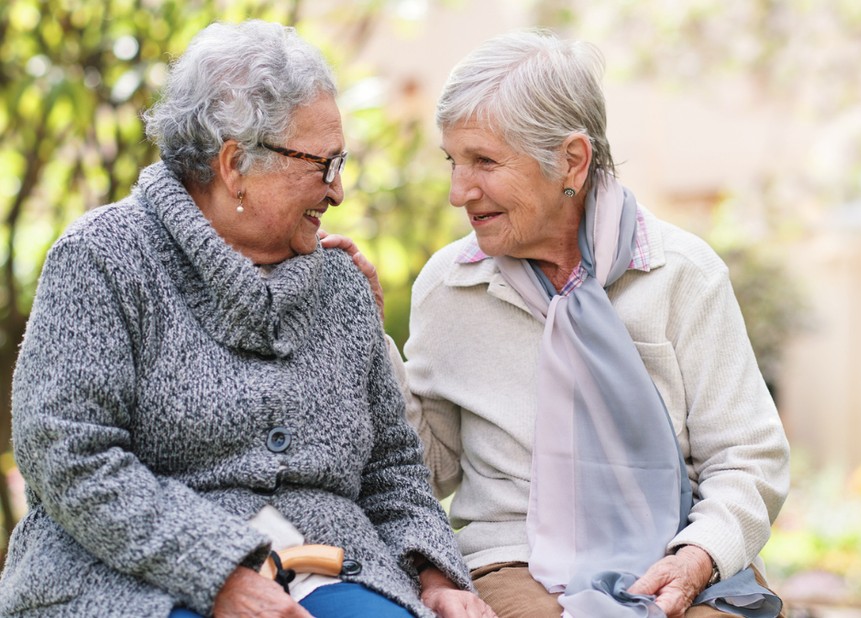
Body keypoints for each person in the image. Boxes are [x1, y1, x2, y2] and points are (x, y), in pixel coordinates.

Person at [0, 20, 495, 618]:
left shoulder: (338, 283)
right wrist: (222, 576)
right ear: (235, 164)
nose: (338, 192)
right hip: (135, 576)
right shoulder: (101, 261)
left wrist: (437, 576)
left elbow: (392, 468)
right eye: (324, 164)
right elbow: (70, 459)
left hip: (334, 566)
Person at [332, 30, 790, 618]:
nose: (457, 192)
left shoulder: (681, 275)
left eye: (484, 162)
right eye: (453, 161)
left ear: (571, 159)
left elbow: (748, 457)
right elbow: (429, 470)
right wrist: (372, 342)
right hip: (512, 558)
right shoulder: (450, 286)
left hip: (675, 550)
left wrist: (697, 556)